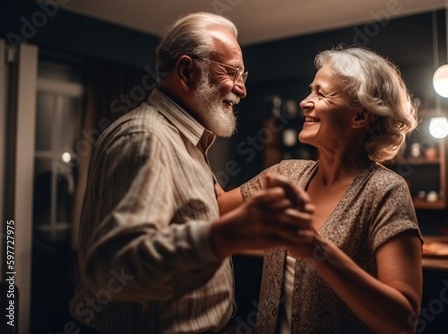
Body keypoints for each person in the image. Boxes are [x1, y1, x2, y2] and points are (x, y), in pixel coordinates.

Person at [68, 12, 316, 334]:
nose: (242, 90)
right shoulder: (147, 138)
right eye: (232, 73)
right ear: (186, 71)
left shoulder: (190, 141)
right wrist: (227, 235)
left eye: (243, 75)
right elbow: (113, 269)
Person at [217, 46, 423, 333]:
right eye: (310, 91)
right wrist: (195, 130)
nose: (304, 102)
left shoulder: (385, 190)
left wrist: (316, 249)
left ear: (359, 116)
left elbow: (404, 320)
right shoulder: (285, 174)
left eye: (321, 94)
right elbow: (212, 208)